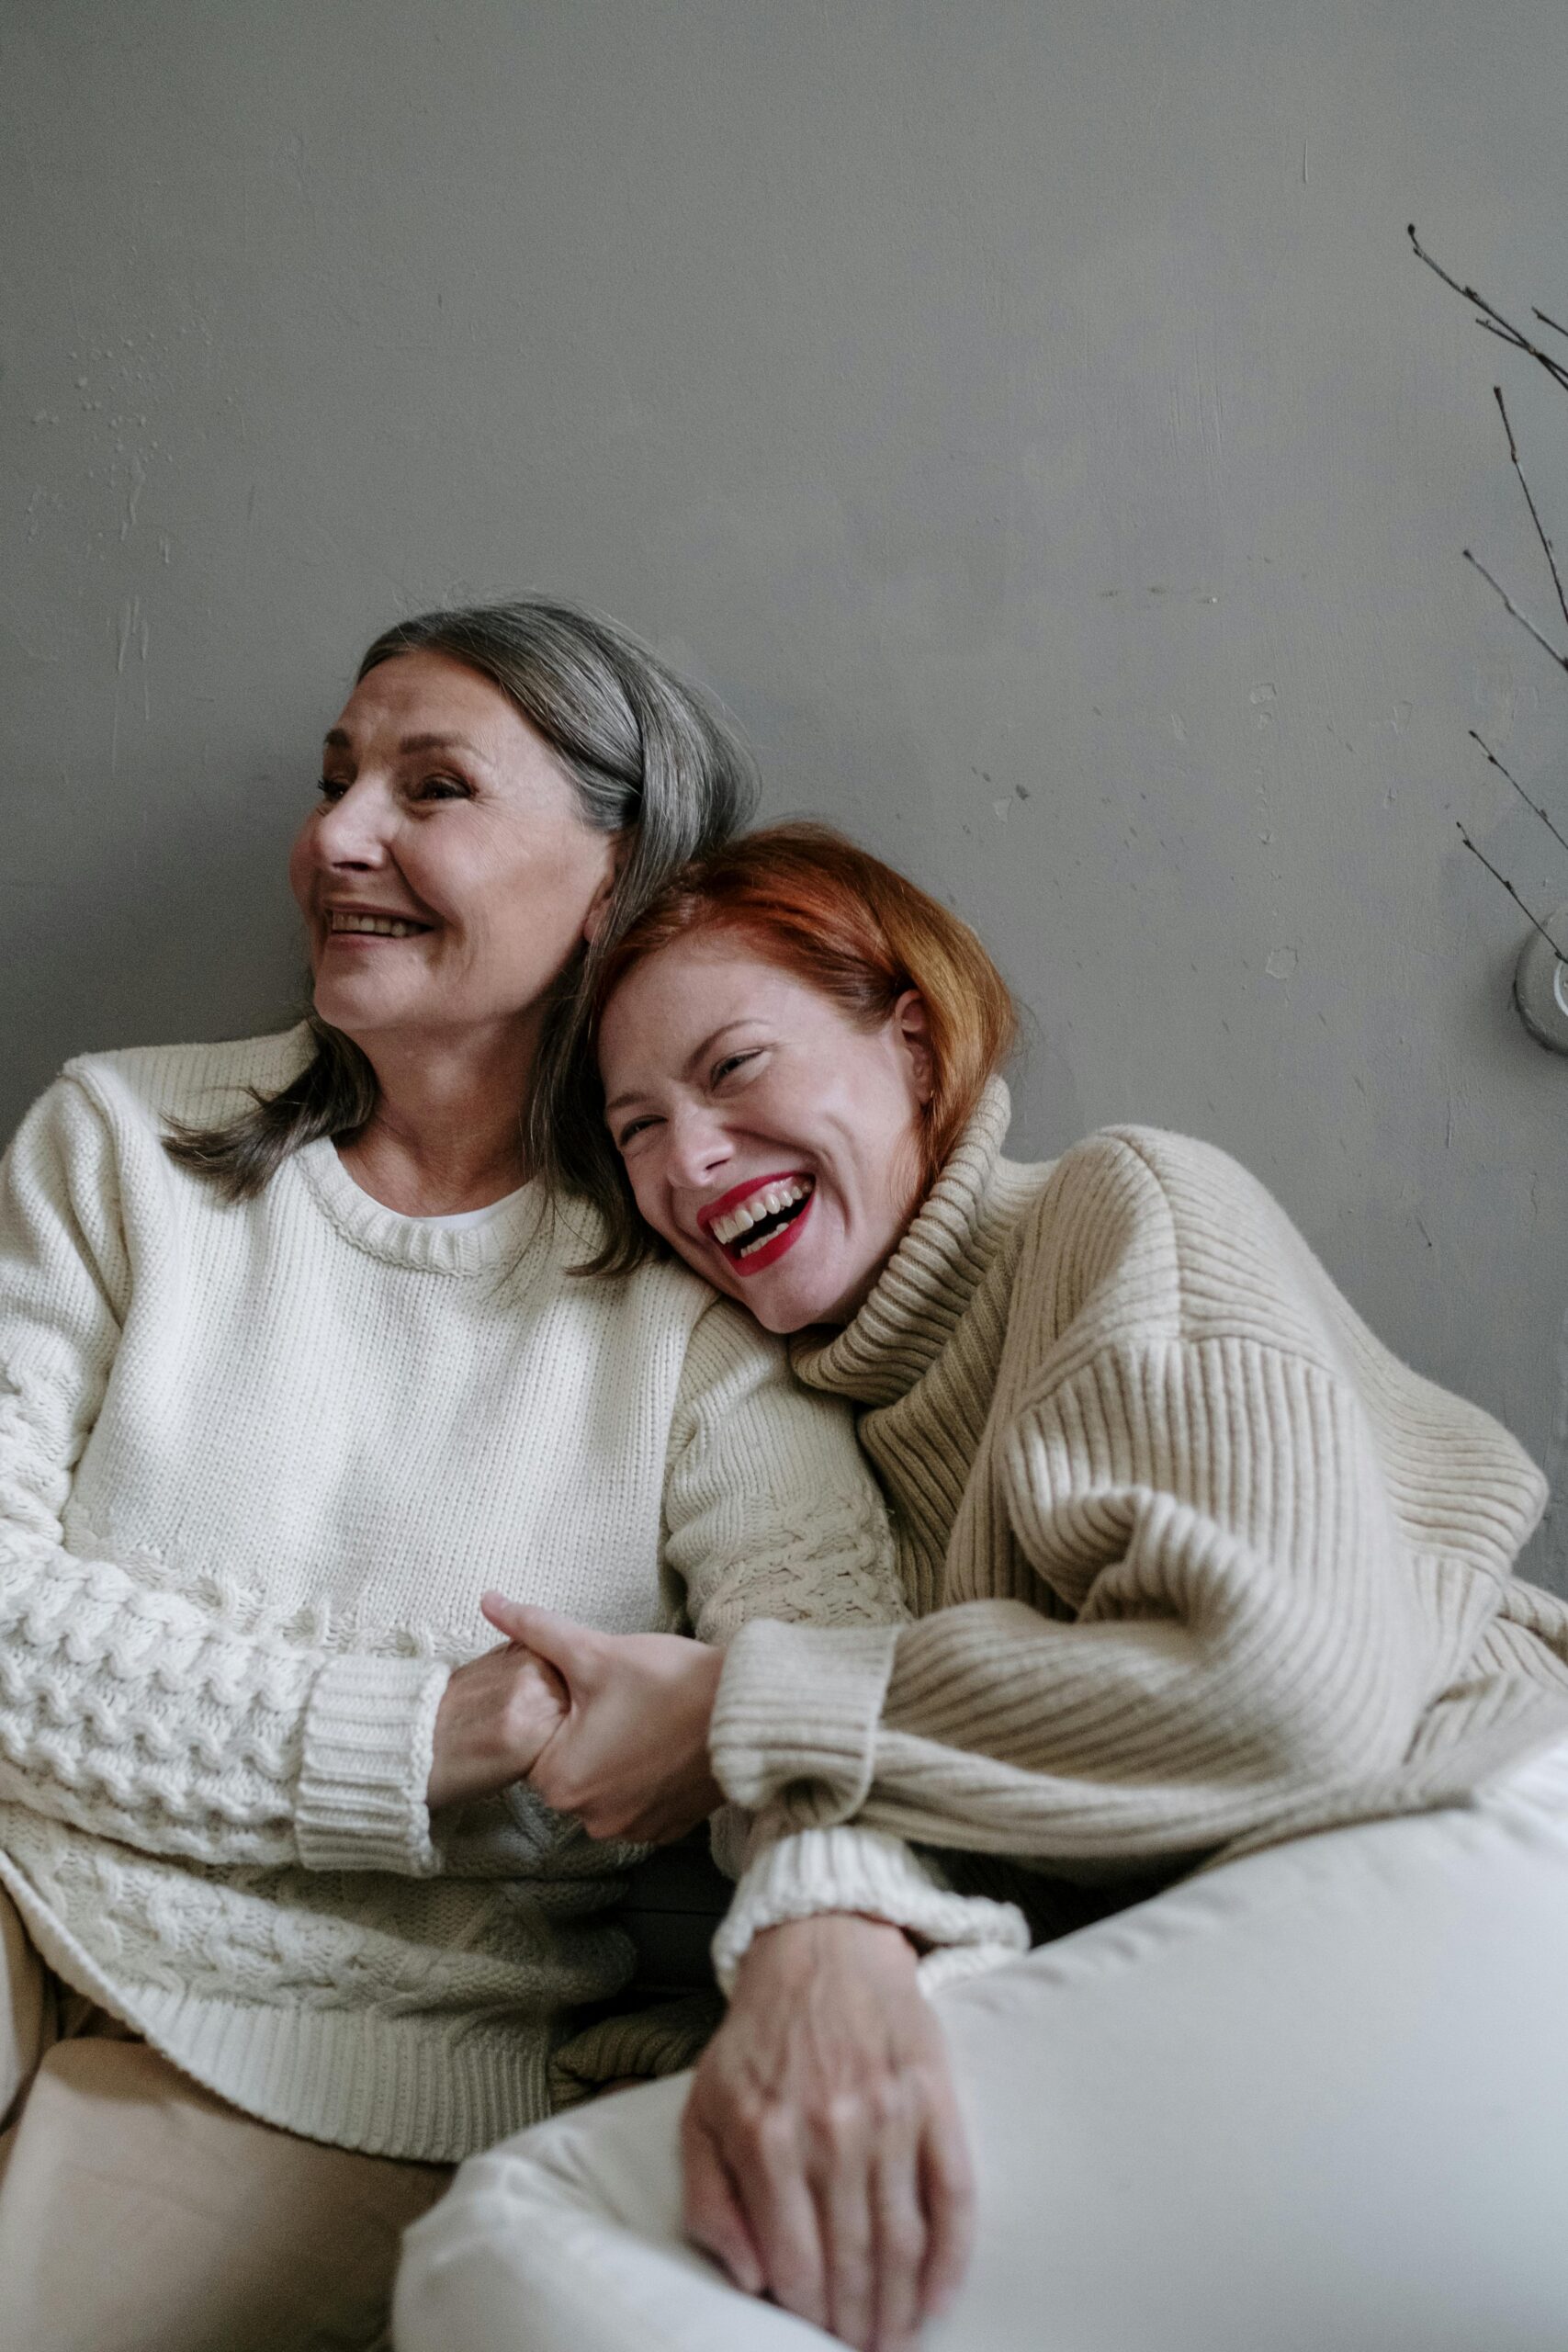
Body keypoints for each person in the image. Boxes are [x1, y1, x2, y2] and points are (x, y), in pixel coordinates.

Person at [397, 822, 1568, 2352]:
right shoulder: (813, 1434)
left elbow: (1290, 1695)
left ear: (913, 1044)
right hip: (1284, 1956)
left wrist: (737, 1710)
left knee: (517, 2241)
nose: (689, 1161)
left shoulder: (1116, 1208)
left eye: (737, 1068)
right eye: (636, 1128)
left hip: (1483, 1845)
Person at [0, 639, 1002, 2352]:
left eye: (433, 787)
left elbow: (823, 1683)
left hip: (327, 2059)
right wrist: (419, 1739)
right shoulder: (120, 1143)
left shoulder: (696, 1312)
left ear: (617, 876)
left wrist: (839, 1935)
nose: (335, 838)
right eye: (338, 781)